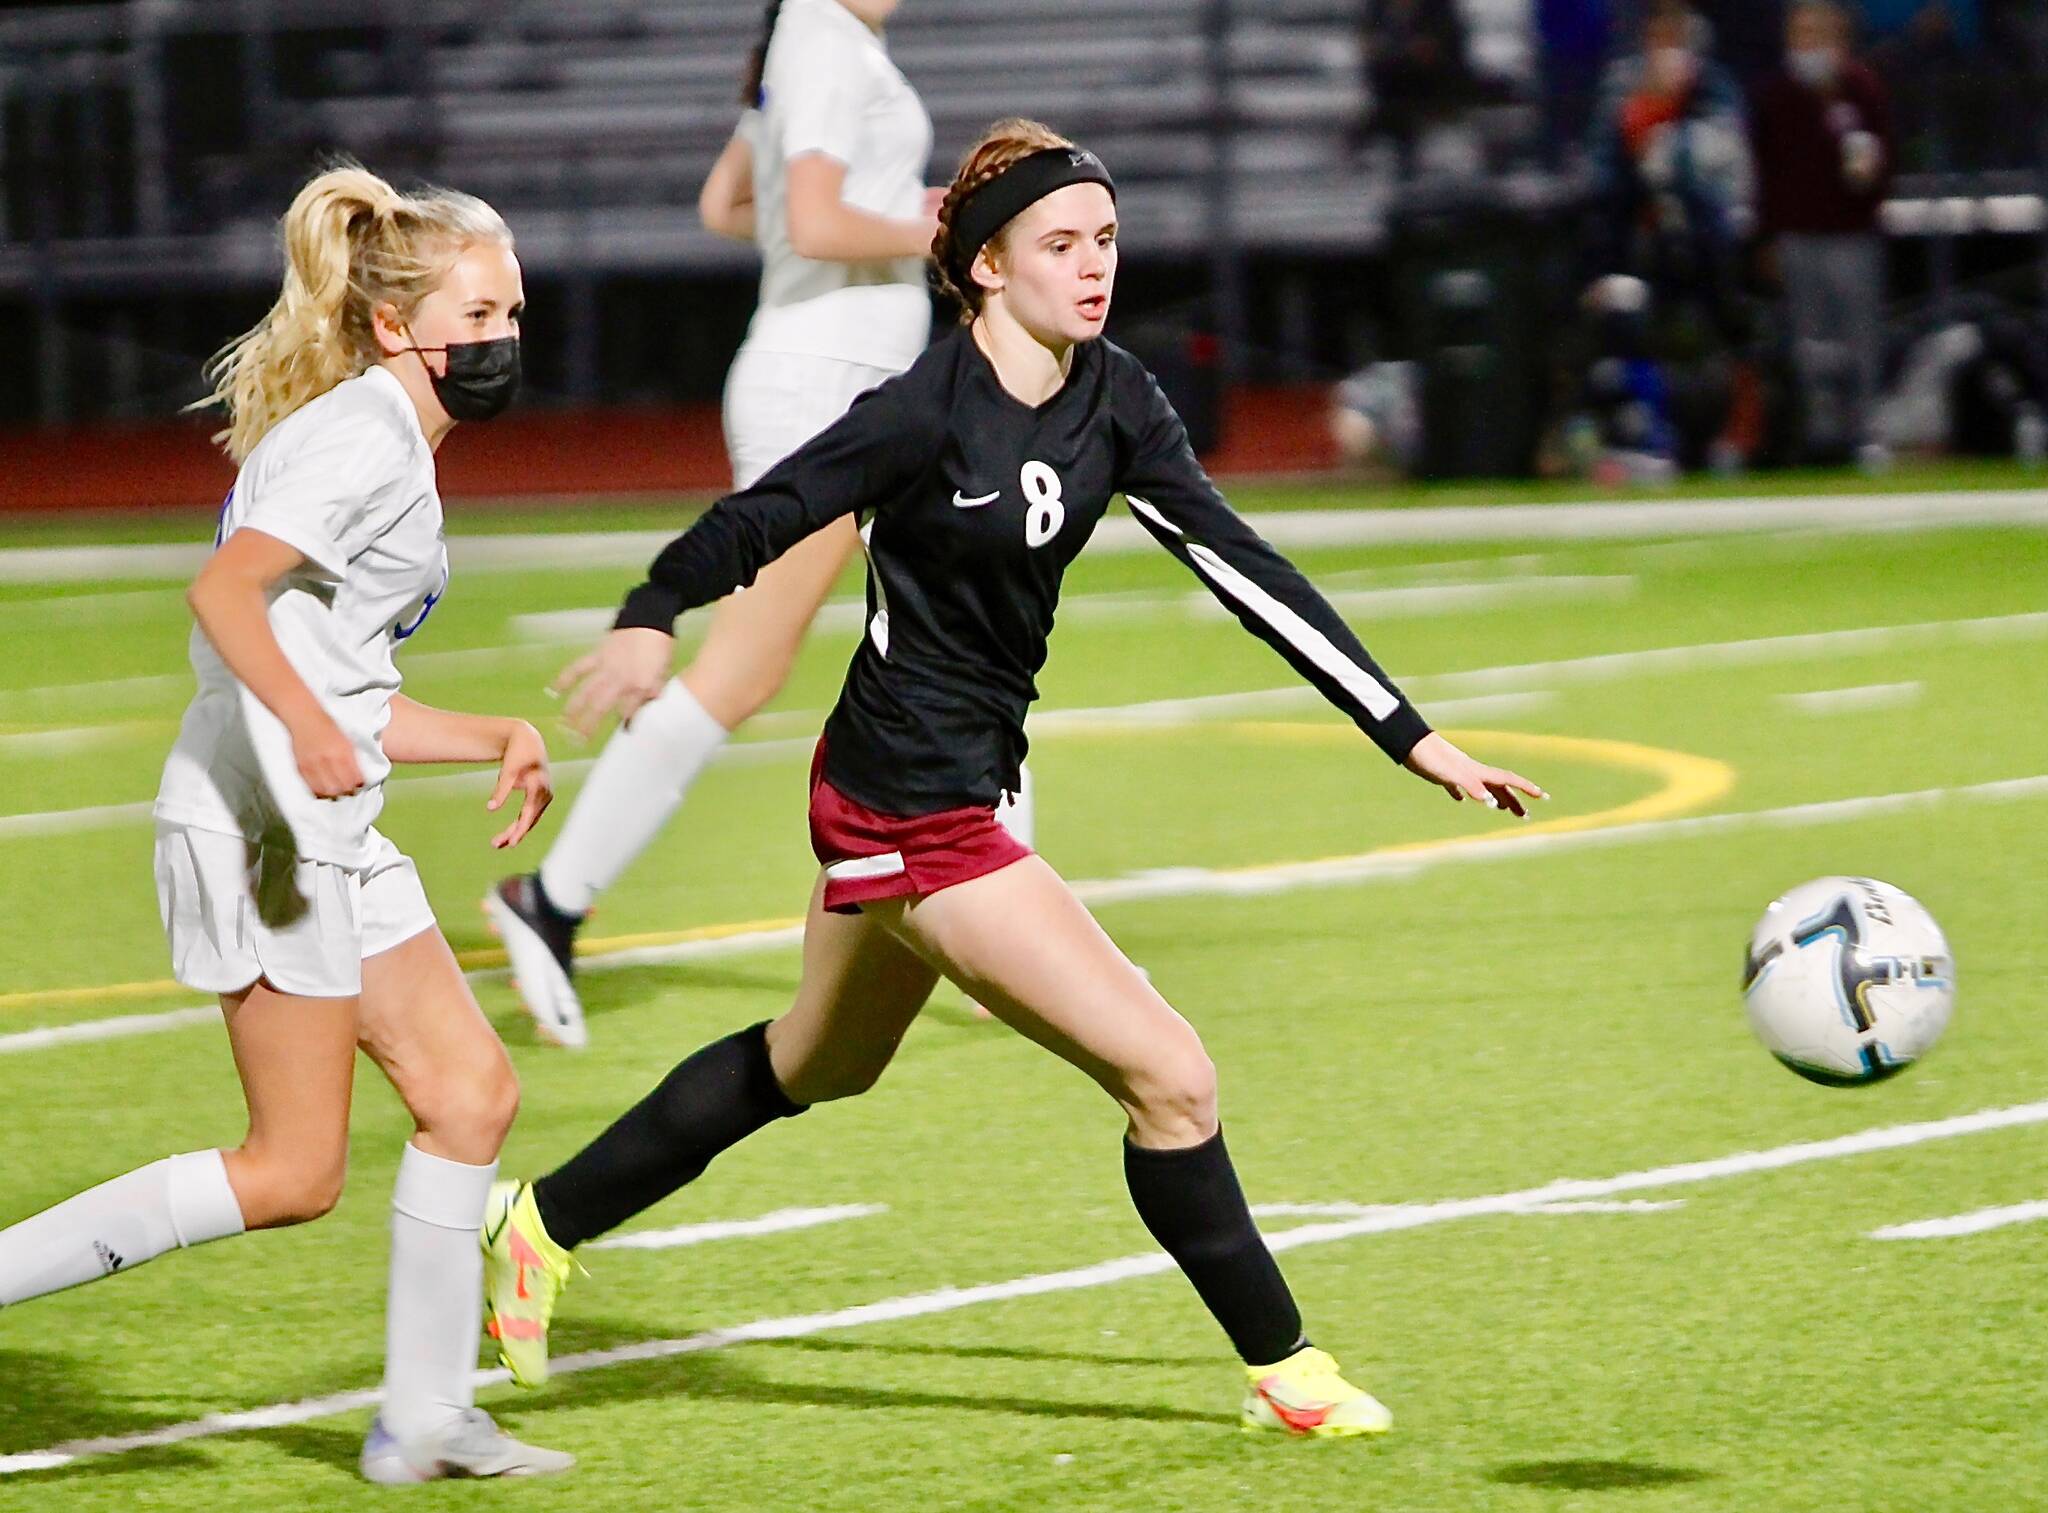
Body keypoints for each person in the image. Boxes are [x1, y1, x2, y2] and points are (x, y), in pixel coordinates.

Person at [475, 119, 1547, 1436]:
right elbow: (767, 511)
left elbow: (1243, 566)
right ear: (985, 269)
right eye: (1060, 244)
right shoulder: (925, 410)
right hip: (908, 804)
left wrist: (1410, 733)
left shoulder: (1118, 396)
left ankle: (537, 1223)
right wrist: (653, 608)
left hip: (938, 784)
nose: (1093, 267)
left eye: (1104, 239)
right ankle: (1289, 1370)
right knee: (1171, 1076)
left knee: (815, 1066)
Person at [0, 164, 570, 1484]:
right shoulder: (365, 440)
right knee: (292, 1168)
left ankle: (424, 1420)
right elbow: (229, 596)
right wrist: (313, 734)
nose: (502, 342)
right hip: (264, 826)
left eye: (514, 314)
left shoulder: (385, 439)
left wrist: (482, 731)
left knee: (471, 1094)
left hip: (320, 818)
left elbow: (341, 681)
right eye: (477, 316)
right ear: (393, 324)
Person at [486, 0, 1028, 1051]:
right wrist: (934, 226)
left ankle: (1005, 925)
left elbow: (729, 203)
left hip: (847, 375)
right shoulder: (822, 37)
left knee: (966, 619)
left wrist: (876, 221)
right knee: (748, 668)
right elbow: (814, 222)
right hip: (825, 384)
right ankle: (549, 897)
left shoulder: (817, 41)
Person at [1752, 0, 1895, 464]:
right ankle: (1820, 433)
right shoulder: (1776, 96)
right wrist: (1767, 237)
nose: (1809, 43)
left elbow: (1884, 165)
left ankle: (1866, 430)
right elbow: (1764, 174)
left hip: (1851, 235)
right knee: (1809, 341)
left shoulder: (1862, 90)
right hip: (1797, 237)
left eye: (1819, 33)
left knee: (1859, 336)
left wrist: (1868, 182)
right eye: (1802, 33)